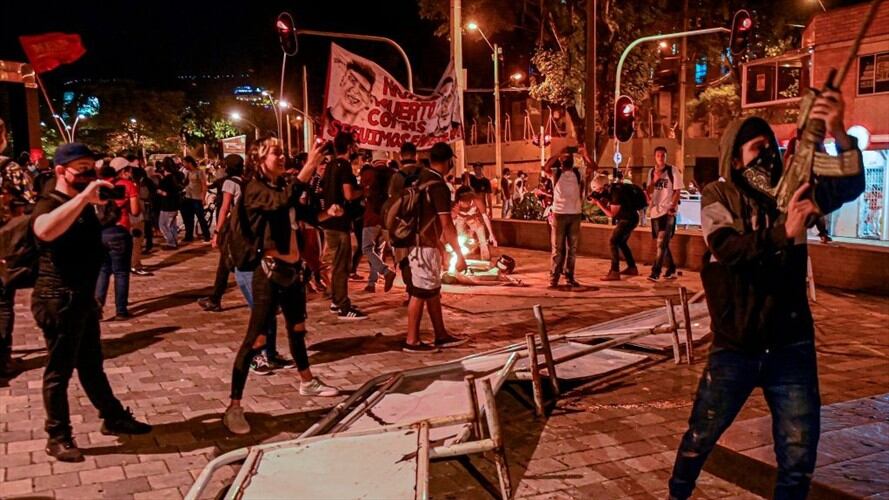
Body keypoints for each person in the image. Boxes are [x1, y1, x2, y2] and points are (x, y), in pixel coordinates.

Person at [667, 93, 865, 499]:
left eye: (771, 148)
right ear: (736, 160)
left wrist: (838, 130)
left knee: (797, 457)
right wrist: (783, 233)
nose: (768, 157)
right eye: (757, 149)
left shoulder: (792, 192)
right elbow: (727, 248)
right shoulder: (718, 196)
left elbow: (850, 184)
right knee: (700, 436)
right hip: (736, 346)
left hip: (790, 344)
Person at [31, 143, 151, 461]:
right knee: (59, 370)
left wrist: (98, 208)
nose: (88, 173)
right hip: (58, 298)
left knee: (91, 364)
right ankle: (57, 436)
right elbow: (42, 230)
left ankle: (112, 416)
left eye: (90, 167)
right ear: (60, 170)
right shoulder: (51, 201)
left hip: (81, 298)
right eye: (81, 167)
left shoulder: (80, 201)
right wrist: (84, 198)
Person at [223, 140, 341, 435]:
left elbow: (302, 214)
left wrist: (329, 214)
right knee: (256, 339)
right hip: (268, 273)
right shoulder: (254, 189)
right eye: (275, 152)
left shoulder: (283, 186)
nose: (282, 156)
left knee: (297, 329)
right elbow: (279, 203)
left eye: (282, 152)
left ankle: (307, 381)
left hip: (292, 272)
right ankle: (234, 407)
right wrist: (309, 166)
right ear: (259, 159)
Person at [402, 143, 469, 353]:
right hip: (423, 248)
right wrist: (458, 253)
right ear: (449, 161)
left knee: (431, 290)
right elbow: (446, 224)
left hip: (420, 243)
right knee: (420, 292)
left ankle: (441, 334)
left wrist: (439, 244)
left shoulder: (419, 179)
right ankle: (412, 341)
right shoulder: (437, 186)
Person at [319, 131, 366, 320]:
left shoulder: (330, 166)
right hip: (339, 222)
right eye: (353, 145)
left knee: (337, 263)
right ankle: (343, 306)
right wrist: (362, 191)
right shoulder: (345, 166)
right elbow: (348, 195)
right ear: (348, 147)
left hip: (329, 221)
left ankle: (336, 300)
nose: (355, 148)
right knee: (341, 265)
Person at [95, 158, 140, 321]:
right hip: (120, 230)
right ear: (122, 170)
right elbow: (135, 211)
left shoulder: (97, 185)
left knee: (103, 271)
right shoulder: (127, 185)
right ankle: (121, 310)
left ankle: (97, 308)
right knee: (121, 272)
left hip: (99, 232)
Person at [198, 154, 245, 312]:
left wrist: (217, 231)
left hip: (232, 227)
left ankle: (215, 299)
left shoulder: (230, 183)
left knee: (226, 262)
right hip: (246, 225)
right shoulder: (247, 181)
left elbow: (225, 208)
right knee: (229, 263)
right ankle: (215, 298)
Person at [589, 174, 639, 281]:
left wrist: (598, 203)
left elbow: (611, 214)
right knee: (621, 242)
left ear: (604, 186)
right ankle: (632, 267)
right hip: (629, 218)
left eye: (598, 190)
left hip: (628, 219)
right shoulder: (613, 190)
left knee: (613, 241)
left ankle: (614, 271)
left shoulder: (616, 192)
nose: (598, 193)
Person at [546, 148, 584, 288]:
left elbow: (594, 167)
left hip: (575, 214)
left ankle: (569, 277)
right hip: (559, 215)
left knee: (572, 249)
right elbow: (546, 168)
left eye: (569, 158)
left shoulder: (578, 173)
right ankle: (554, 278)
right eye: (564, 158)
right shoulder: (556, 173)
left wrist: (584, 154)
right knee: (557, 248)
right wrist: (557, 154)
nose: (567, 160)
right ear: (561, 161)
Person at [359, 158, 397, 293]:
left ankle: (386, 272)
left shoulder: (368, 174)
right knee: (378, 250)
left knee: (367, 249)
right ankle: (371, 283)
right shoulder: (393, 174)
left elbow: (362, 193)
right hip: (386, 218)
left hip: (371, 218)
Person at [646, 146, 682, 281]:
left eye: (663, 155)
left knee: (661, 242)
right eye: (658, 155)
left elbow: (677, 190)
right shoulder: (651, 172)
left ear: (666, 157)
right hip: (655, 211)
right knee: (662, 243)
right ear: (655, 157)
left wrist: (672, 206)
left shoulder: (673, 171)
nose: (661, 157)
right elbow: (648, 190)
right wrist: (655, 180)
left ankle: (655, 272)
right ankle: (671, 268)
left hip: (668, 211)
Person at [452, 186, 497, 261]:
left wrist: (491, 234)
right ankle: (461, 259)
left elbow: (485, 217)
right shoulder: (456, 203)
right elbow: (452, 220)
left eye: (466, 201)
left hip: (474, 219)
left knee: (482, 239)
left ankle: (485, 260)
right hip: (460, 218)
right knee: (460, 238)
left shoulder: (477, 201)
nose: (464, 203)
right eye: (462, 201)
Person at [180, 156, 211, 242]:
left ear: (189, 163)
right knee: (188, 218)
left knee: (201, 218)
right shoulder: (186, 172)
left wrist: (203, 198)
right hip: (188, 197)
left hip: (197, 198)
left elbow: (204, 185)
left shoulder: (199, 172)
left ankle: (206, 235)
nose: (183, 165)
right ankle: (189, 236)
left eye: (184, 163)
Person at [156, 157, 182, 249]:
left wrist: (159, 191)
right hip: (175, 204)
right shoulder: (177, 177)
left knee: (163, 225)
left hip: (167, 205)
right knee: (172, 225)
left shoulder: (166, 180)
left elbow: (164, 192)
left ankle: (171, 242)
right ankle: (174, 240)